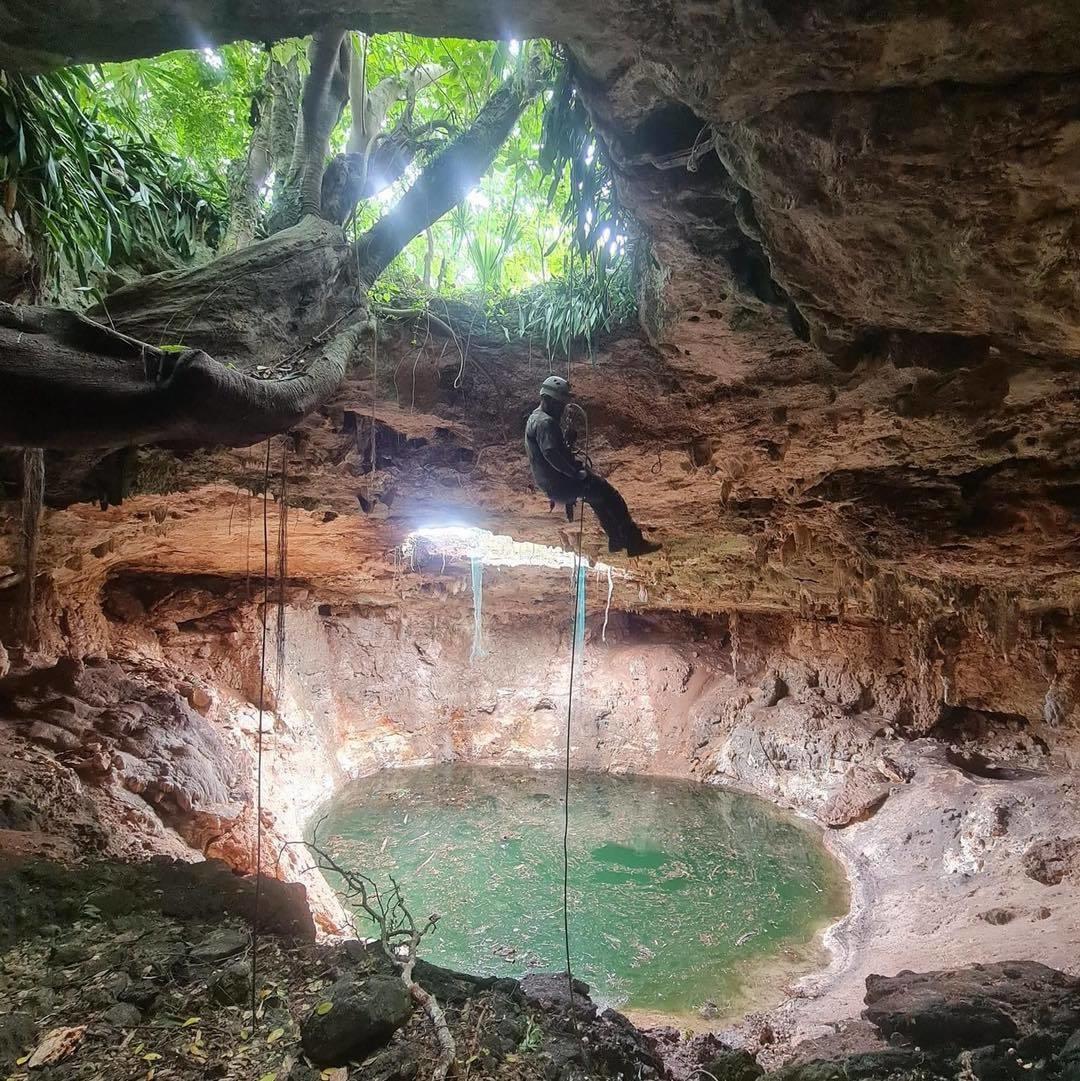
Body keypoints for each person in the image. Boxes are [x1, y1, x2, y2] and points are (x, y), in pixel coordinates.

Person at [524, 375, 661, 557]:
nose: (562, 409)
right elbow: (550, 453)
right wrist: (574, 472)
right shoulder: (546, 422)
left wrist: (566, 442)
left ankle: (616, 538)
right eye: (559, 405)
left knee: (598, 498)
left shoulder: (535, 418)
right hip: (562, 484)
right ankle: (633, 542)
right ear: (547, 399)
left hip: (553, 485)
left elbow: (551, 451)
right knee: (610, 495)